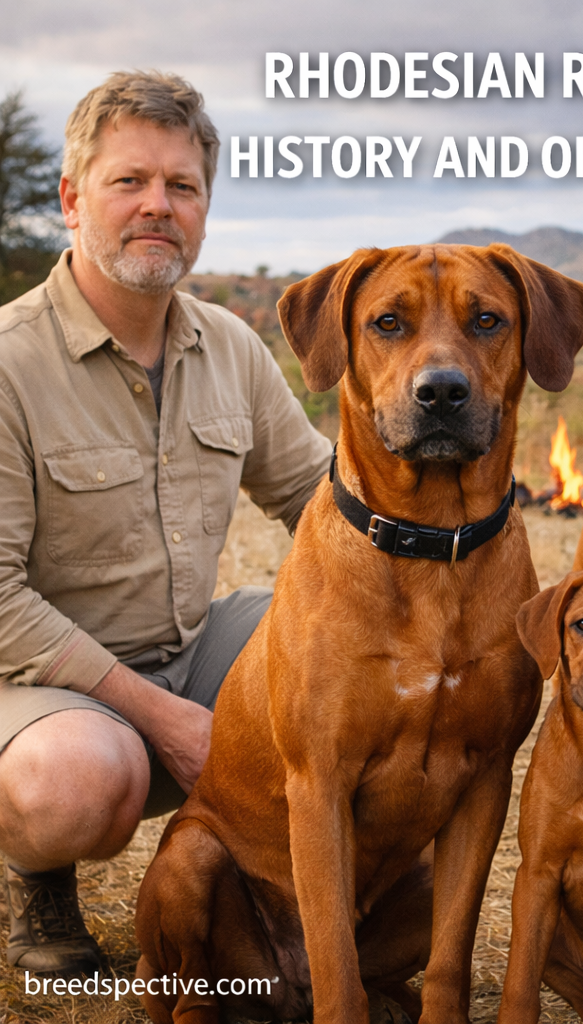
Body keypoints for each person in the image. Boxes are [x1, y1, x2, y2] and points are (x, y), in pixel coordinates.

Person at [0, 71, 332, 973]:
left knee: (341, 663)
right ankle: (39, 879)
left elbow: (320, 498)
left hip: (192, 646)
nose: (159, 206)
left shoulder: (229, 346)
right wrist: (170, 721)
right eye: (129, 182)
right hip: (41, 691)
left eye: (182, 187)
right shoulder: (9, 365)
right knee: (77, 783)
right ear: (73, 199)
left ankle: (307, 900)